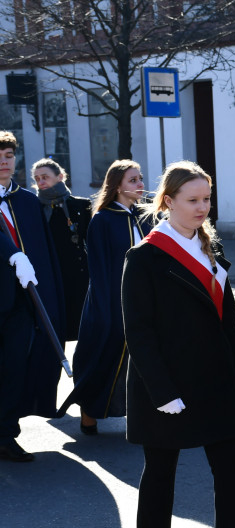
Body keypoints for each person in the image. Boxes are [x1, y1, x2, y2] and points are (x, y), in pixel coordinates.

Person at [122, 160, 235, 528]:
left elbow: (229, 322)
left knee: (229, 472)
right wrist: (161, 391)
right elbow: (139, 333)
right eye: (193, 200)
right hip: (168, 385)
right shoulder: (145, 257)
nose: (203, 207)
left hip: (215, 380)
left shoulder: (212, 250)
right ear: (167, 202)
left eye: (207, 198)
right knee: (160, 475)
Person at [58, 160, 151, 434]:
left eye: (140, 179)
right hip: (110, 301)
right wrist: (109, 309)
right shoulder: (103, 219)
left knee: (142, 359)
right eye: (133, 180)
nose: (140, 185)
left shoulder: (145, 217)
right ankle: (90, 409)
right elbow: (98, 270)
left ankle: (143, 413)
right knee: (104, 355)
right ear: (117, 185)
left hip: (144, 300)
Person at [0, 132, 65, 462]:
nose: (4, 161)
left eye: (9, 155)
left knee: (14, 367)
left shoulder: (26, 201)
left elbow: (44, 252)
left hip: (21, 302)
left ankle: (6, 435)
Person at [32, 158, 91, 340]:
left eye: (45, 177)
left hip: (80, 277)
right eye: (37, 178)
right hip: (52, 278)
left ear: (60, 177)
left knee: (85, 332)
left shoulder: (81, 205)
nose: (41, 182)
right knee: (56, 333)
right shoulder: (35, 209)